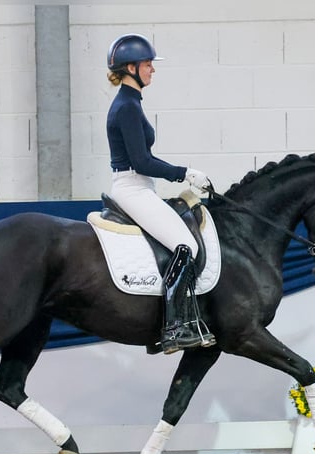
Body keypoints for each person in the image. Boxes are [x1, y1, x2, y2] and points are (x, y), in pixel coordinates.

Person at [105, 33, 215, 355]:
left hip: (140, 187)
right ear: (130, 67)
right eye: (148, 64)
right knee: (186, 245)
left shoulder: (132, 103)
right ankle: (174, 329)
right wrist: (186, 174)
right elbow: (142, 161)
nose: (153, 69)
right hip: (132, 188)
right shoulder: (126, 106)